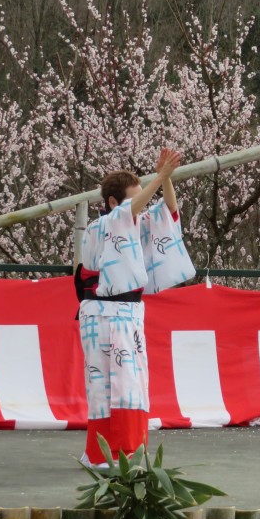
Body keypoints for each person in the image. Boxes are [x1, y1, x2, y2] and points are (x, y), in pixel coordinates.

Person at [75, 148, 195, 467]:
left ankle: (125, 451)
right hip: (102, 314)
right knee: (104, 387)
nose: (140, 208)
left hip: (128, 314)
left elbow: (166, 212)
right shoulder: (100, 228)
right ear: (113, 203)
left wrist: (165, 179)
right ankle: (101, 453)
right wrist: (160, 177)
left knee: (130, 386)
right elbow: (133, 212)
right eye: (133, 201)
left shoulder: (131, 223)